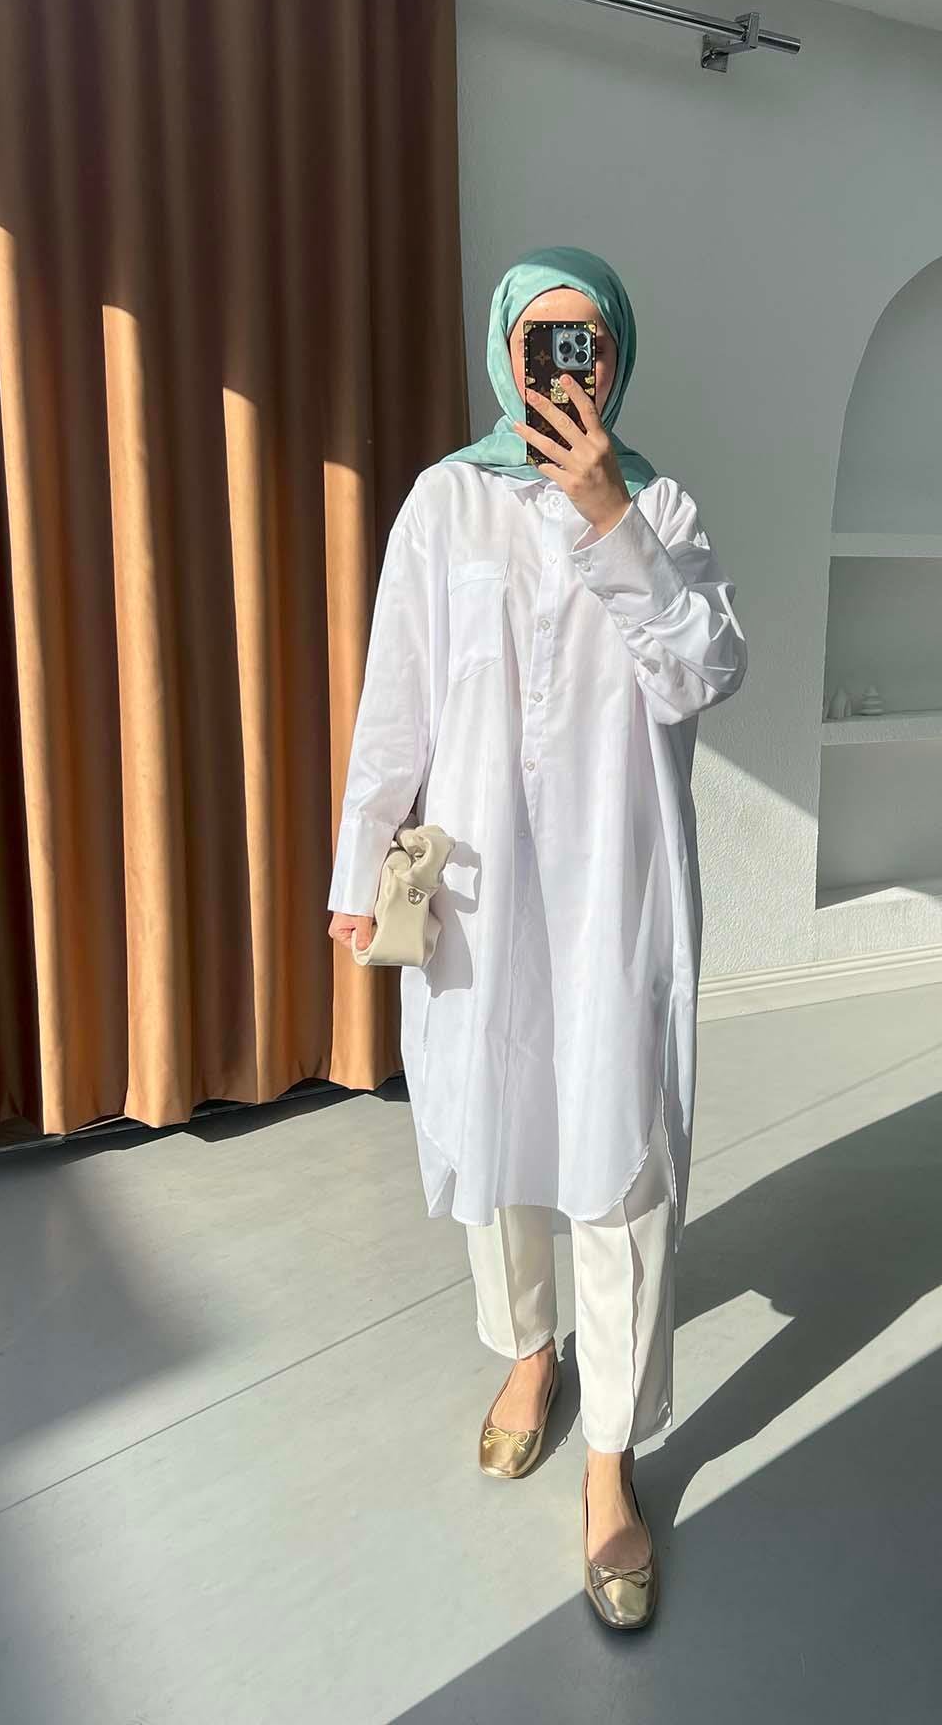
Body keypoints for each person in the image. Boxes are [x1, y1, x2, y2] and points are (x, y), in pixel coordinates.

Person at [327, 246, 747, 1629]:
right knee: (499, 1120)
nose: (566, 366)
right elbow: (396, 701)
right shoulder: (445, 503)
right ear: (505, 353)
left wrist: (608, 513)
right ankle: (527, 1351)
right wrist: (358, 864)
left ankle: (611, 1459)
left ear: (616, 356)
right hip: (481, 888)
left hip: (617, 886)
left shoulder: (660, 504)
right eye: (540, 342)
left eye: (589, 342)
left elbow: (704, 671)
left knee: (618, 1160)